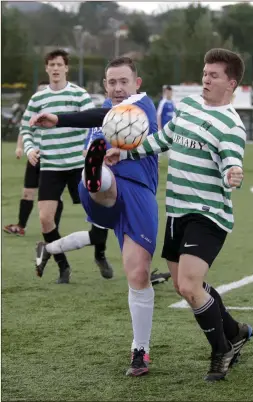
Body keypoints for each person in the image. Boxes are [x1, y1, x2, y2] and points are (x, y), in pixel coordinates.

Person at [105, 48, 253, 382]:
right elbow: (162, 139)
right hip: (177, 212)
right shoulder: (186, 108)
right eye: (204, 72)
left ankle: (221, 350)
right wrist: (125, 154)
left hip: (208, 214)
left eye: (213, 75)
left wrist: (234, 172)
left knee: (188, 284)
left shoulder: (232, 125)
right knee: (184, 286)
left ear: (230, 83)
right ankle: (235, 332)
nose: (205, 78)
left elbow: (232, 160)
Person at [30, 57, 159, 376]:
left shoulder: (142, 104)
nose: (117, 88)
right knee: (98, 177)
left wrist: (60, 118)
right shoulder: (105, 109)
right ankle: (95, 175)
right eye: (111, 82)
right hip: (107, 190)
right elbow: (99, 116)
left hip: (139, 191)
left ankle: (140, 350)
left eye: (123, 81)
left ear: (136, 83)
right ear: (105, 85)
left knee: (138, 273)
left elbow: (104, 115)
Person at [21, 49, 97, 284]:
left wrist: (90, 146)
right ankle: (63, 265)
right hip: (51, 166)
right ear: (47, 68)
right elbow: (26, 129)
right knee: (45, 219)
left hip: (77, 164)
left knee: (100, 216)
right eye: (51, 65)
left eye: (59, 65)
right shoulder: (38, 99)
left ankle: (101, 254)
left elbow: (94, 122)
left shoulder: (79, 94)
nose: (55, 68)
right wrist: (30, 149)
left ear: (66, 68)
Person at [3, 82, 58, 237]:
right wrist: (20, 147)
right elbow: (24, 130)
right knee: (27, 192)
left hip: (54, 158)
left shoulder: (56, 114)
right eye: (39, 90)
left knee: (53, 196)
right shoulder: (32, 112)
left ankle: (53, 227)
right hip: (35, 156)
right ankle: (21, 226)